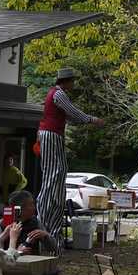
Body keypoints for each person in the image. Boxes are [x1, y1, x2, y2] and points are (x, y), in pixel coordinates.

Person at [35, 67, 104, 244]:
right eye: (72, 81)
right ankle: (45, 217)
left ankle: (52, 220)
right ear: (66, 81)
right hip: (50, 134)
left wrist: (86, 121)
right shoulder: (58, 94)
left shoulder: (57, 94)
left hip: (53, 135)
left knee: (59, 172)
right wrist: (92, 119)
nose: (74, 84)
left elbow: (70, 116)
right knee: (54, 173)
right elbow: (73, 112)